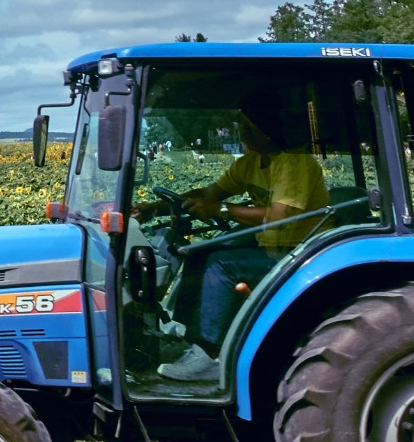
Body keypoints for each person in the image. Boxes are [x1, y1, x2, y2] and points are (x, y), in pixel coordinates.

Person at [140, 90, 329, 383]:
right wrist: (156, 207)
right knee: (200, 252)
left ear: (268, 130)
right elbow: (208, 195)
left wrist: (223, 210)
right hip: (274, 246)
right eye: (242, 125)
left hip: (301, 254)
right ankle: (192, 336)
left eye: (248, 127)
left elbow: (279, 216)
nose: (242, 132)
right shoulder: (250, 163)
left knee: (221, 264)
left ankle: (209, 356)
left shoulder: (295, 163)